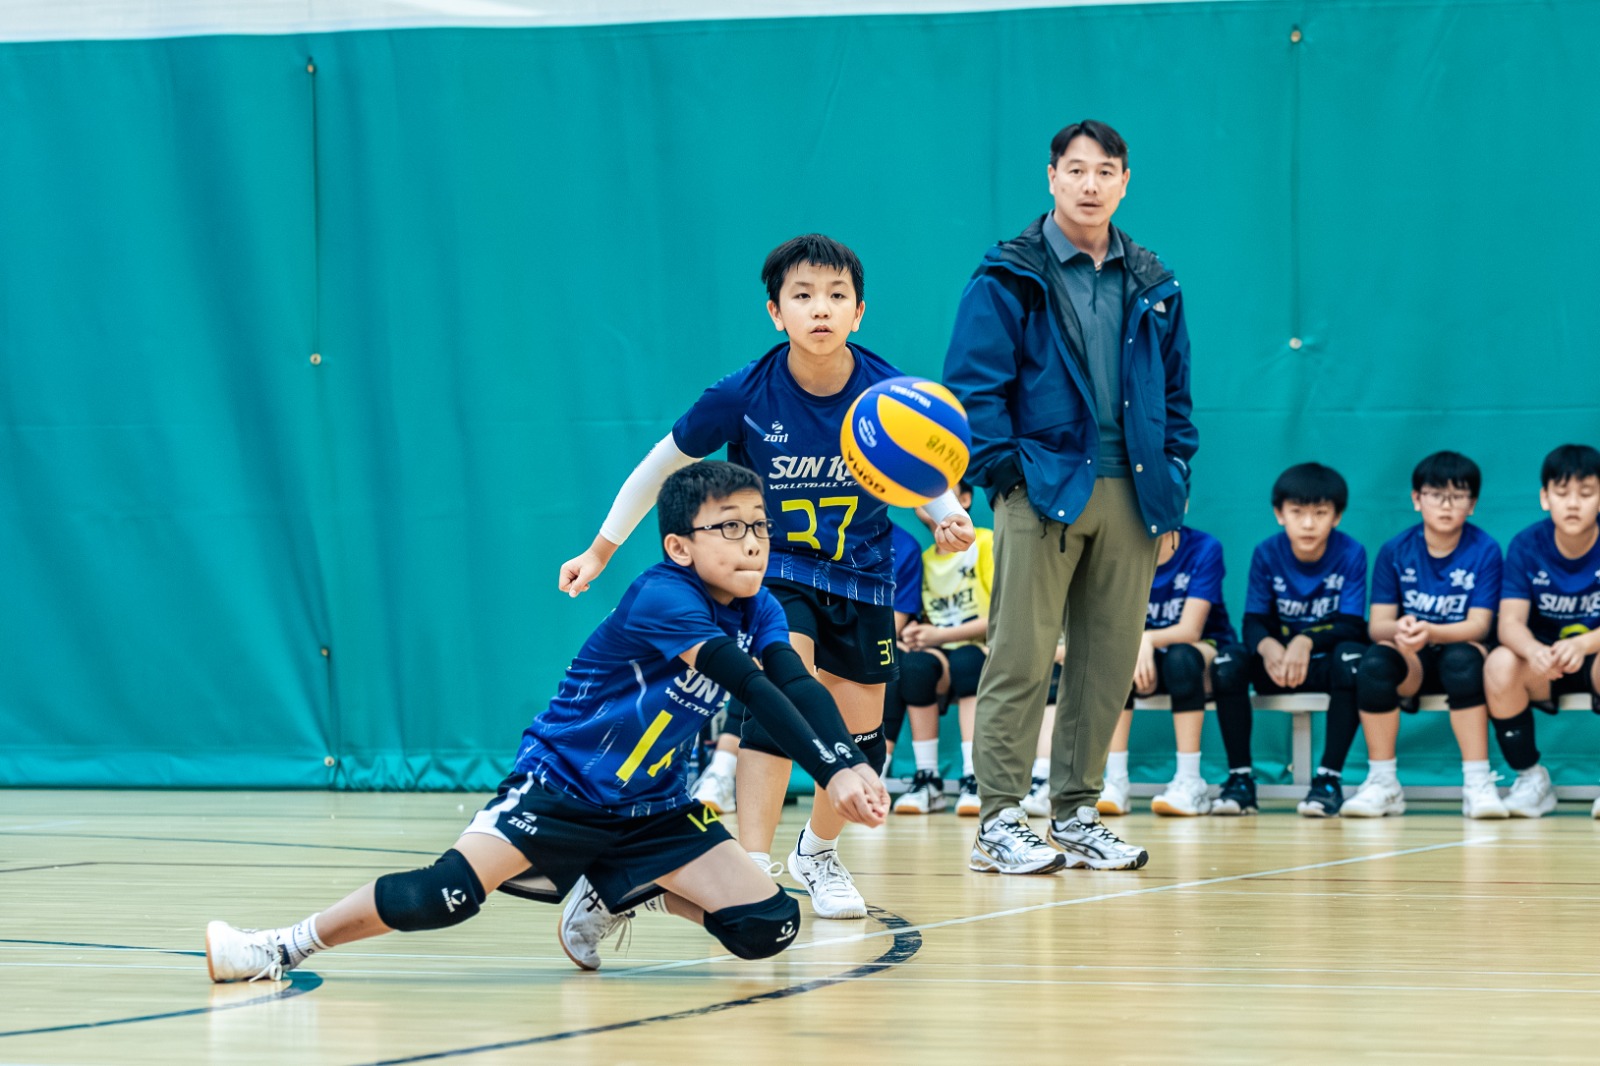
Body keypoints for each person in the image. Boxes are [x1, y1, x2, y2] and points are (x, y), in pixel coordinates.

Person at [205, 462, 888, 982]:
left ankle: (616, 891)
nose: (753, 543)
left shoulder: (761, 607)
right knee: (446, 895)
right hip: (563, 784)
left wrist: (852, 763)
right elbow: (750, 686)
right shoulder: (664, 596)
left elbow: (795, 683)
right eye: (730, 528)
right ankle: (276, 946)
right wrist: (832, 771)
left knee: (768, 924)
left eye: (761, 526)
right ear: (680, 547)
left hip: (654, 804)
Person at [559, 235, 973, 918]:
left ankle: (818, 852)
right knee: (782, 690)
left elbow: (920, 471)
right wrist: (600, 551)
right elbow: (660, 465)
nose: (821, 308)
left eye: (836, 296)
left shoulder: (888, 392)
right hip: (774, 570)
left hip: (863, 574)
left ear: (859, 311)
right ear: (776, 312)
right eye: (802, 296)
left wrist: (947, 516)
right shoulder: (744, 393)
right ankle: (751, 863)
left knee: (861, 733)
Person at [944, 118, 1195, 874]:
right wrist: (1007, 476)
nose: (1090, 184)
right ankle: (999, 820)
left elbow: (1177, 399)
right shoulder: (1009, 275)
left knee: (1106, 662)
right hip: (1041, 487)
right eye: (1076, 170)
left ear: (1125, 183)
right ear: (1051, 177)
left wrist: (1171, 487)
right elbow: (973, 389)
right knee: (1020, 657)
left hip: (1135, 493)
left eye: (1105, 171)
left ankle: (1079, 815)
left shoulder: (1154, 281)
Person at [1348, 452, 1504, 818]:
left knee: (1463, 659)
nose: (1446, 505)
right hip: (1412, 659)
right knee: (1375, 663)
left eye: (1458, 496)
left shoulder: (1485, 550)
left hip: (1461, 655)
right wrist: (1401, 628)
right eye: (1436, 495)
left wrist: (1430, 630)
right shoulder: (1395, 550)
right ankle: (1383, 782)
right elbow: (1378, 625)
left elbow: (1480, 625)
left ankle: (1477, 783)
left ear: (1472, 504)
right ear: (1417, 499)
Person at [1211, 463, 1367, 817]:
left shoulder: (1351, 552)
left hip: (1323, 664)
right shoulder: (1267, 552)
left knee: (1354, 659)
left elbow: (1351, 625)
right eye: (1297, 512)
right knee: (1227, 663)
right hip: (1277, 666)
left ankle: (1328, 781)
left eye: (1320, 513)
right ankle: (1240, 781)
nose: (1308, 524)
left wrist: (1305, 641)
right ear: (1279, 514)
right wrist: (1268, 647)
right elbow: (1253, 621)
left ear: (1337, 516)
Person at [1484, 443, 1600, 819]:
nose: (1573, 504)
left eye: (1586, 493)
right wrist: (1534, 650)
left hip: (1594, 656)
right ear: (1544, 497)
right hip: (1545, 662)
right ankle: (1531, 778)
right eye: (1562, 493)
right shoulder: (1527, 544)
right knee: (1500, 663)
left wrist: (1583, 644)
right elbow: (1509, 623)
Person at [1097, 526, 1235, 818]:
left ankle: (1190, 781)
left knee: (1180, 659)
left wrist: (1146, 639)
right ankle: (1115, 781)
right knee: (1115, 660)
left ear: (1182, 505)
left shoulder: (1203, 547)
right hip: (1143, 660)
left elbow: (1190, 630)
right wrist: (1136, 645)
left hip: (1200, 653)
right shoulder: (1118, 549)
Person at [892, 482, 993, 816]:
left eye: (944, 490)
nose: (932, 498)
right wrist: (914, 636)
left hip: (982, 651)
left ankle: (974, 777)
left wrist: (938, 635)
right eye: (925, 492)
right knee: (914, 666)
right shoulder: (922, 559)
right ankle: (928, 779)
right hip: (942, 654)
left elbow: (1002, 615)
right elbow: (923, 622)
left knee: (967, 661)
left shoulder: (985, 543)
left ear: (964, 499)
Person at [881, 520, 929, 767]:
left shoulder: (904, 546)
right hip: (827, 637)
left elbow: (893, 627)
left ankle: (875, 772)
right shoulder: (826, 536)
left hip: (869, 645)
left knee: (889, 664)